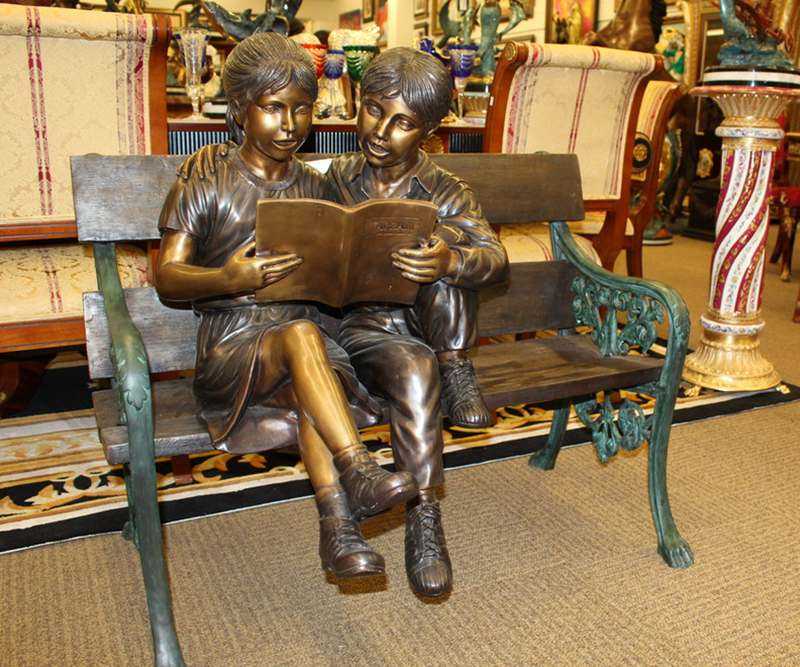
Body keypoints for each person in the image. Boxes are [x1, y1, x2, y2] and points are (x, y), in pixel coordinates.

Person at [156, 32, 418, 582]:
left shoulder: (313, 187)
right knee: (302, 341)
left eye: (302, 109)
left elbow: (331, 287)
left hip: (305, 346)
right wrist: (228, 277)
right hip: (232, 343)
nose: (290, 124)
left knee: (307, 364)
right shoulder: (208, 173)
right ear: (242, 108)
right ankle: (357, 470)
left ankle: (339, 535)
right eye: (274, 108)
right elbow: (167, 277)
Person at [324, 48, 509, 597]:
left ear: (428, 132)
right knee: (412, 367)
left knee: (448, 252)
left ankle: (456, 372)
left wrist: (449, 259)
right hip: (362, 327)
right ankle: (424, 507)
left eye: (402, 122)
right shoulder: (336, 177)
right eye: (373, 110)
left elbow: (494, 258)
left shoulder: (445, 189)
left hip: (431, 324)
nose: (381, 132)